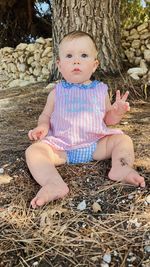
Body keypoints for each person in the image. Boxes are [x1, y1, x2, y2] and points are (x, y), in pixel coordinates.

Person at [25, 31, 145, 209]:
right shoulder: (56, 93)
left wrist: (117, 112)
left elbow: (108, 120)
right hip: (61, 148)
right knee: (33, 152)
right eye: (69, 56)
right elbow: (46, 115)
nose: (76, 61)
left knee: (123, 140)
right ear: (59, 64)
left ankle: (121, 167)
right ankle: (53, 183)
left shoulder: (100, 90)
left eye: (83, 55)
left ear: (94, 64)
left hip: (96, 145)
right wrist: (42, 126)